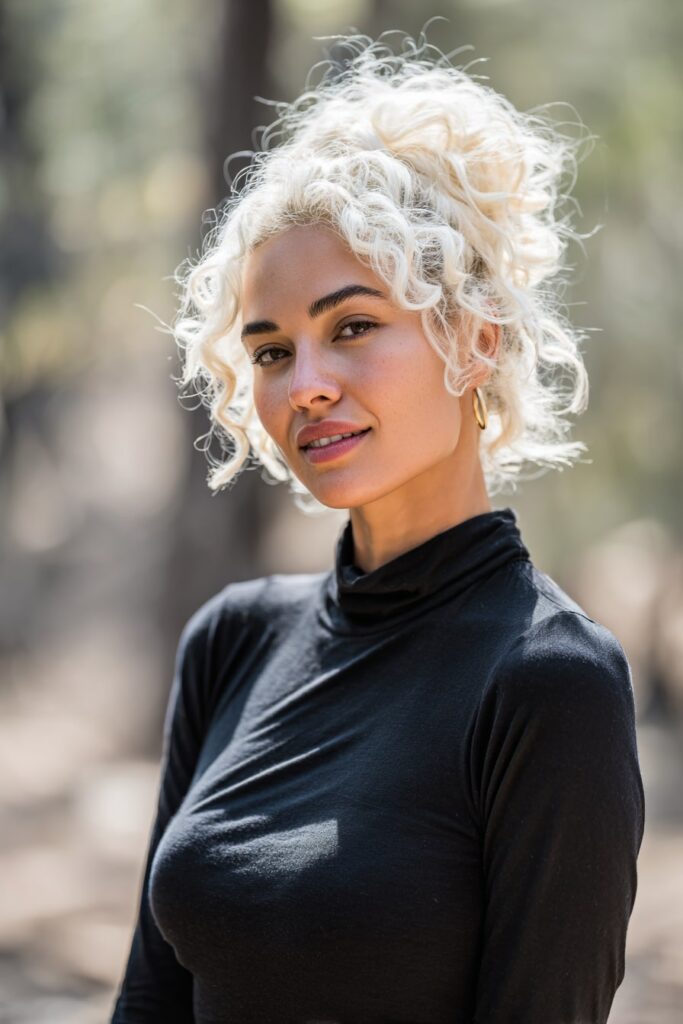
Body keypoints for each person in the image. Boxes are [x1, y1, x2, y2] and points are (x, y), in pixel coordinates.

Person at [110, 29, 645, 1024]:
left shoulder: (547, 681)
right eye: (271, 351)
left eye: (351, 326)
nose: (306, 385)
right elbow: (150, 1000)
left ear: (473, 340)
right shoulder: (233, 641)